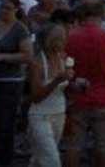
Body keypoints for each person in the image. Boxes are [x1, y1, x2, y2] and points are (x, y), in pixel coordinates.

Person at [63, 0, 105, 167]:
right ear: (100, 14)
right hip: (104, 98)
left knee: (74, 146)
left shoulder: (70, 37)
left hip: (78, 97)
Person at [0, 0, 34, 166]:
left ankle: (4, 159)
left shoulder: (19, 29)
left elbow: (27, 55)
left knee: (5, 122)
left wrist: (2, 57)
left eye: (8, 8)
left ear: (16, 10)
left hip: (10, 81)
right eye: (2, 7)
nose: (3, 11)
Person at [28, 24, 72, 167]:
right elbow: (36, 96)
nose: (64, 42)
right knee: (52, 160)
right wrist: (57, 80)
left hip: (59, 113)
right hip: (40, 115)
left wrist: (75, 83)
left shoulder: (62, 57)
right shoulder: (37, 62)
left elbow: (63, 86)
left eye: (64, 38)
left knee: (40, 158)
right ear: (49, 41)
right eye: (60, 39)